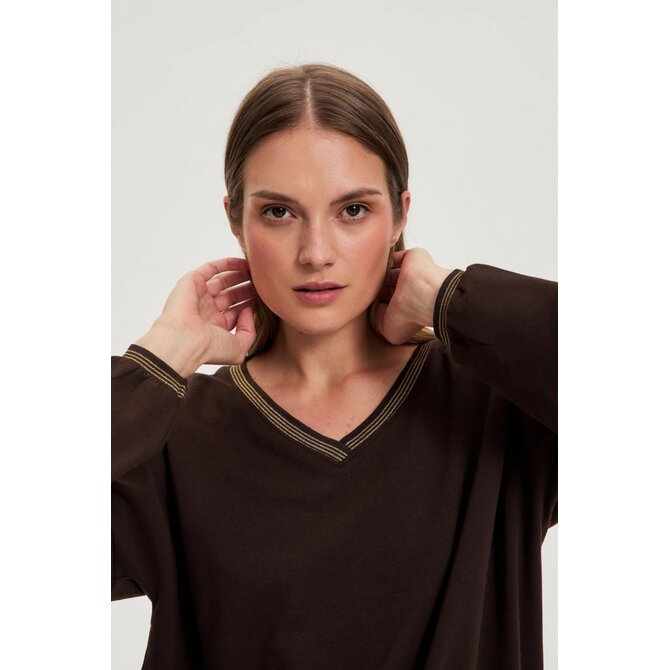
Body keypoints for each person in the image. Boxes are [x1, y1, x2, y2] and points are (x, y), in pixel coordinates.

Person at [112, 63, 557, 669]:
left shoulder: (499, 406)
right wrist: (158, 358)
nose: (315, 252)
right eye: (279, 212)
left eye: (352, 210)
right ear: (236, 221)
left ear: (400, 214)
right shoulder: (172, 437)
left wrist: (447, 297)